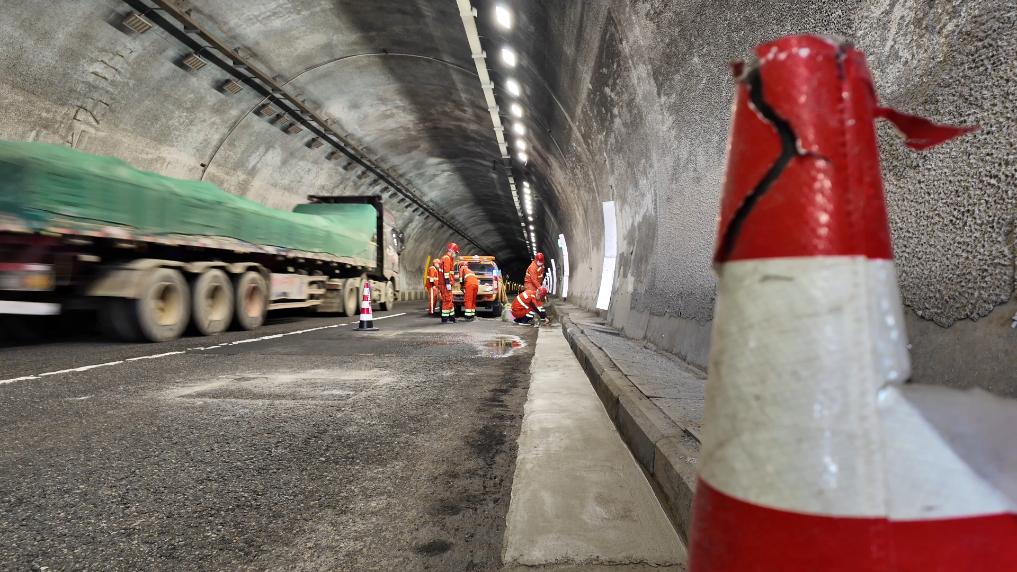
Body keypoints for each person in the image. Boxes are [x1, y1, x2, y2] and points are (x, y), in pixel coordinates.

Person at [438, 242, 460, 323]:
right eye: (455, 252)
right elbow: (446, 273)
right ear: (452, 251)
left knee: (450, 300)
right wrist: (447, 283)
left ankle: (452, 318)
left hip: (446, 283)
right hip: (445, 284)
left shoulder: (449, 258)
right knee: (447, 300)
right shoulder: (447, 258)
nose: (456, 254)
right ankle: (445, 319)